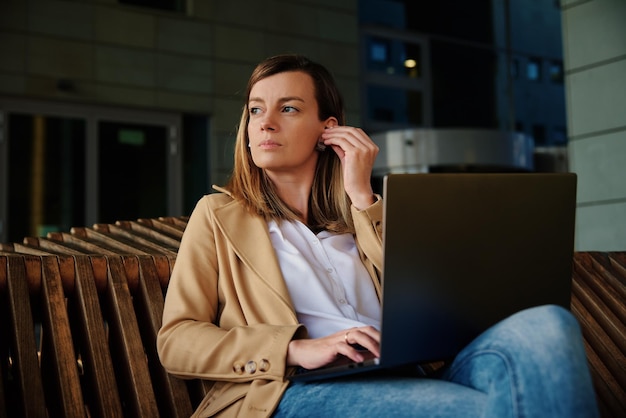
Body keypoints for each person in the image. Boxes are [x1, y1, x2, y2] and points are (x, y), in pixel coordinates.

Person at [156, 54, 599, 418]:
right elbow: (177, 340)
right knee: (485, 410)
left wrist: (362, 196)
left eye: (287, 108)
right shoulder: (218, 216)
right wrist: (294, 349)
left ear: (327, 130)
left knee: (551, 323)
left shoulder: (365, 215)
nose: (265, 123)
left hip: (407, 376)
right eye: (255, 109)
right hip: (291, 393)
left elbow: (431, 302)